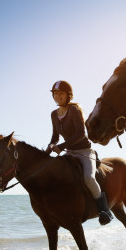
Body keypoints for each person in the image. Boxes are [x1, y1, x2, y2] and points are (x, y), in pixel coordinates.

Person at [45, 80, 113, 225]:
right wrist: (49, 147)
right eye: (55, 94)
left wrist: (61, 147)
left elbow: (81, 134)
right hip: (69, 152)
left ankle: (105, 210)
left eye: (60, 94)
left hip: (85, 152)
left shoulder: (74, 110)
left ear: (68, 95)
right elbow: (55, 137)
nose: (57, 96)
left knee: (88, 178)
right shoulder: (53, 114)